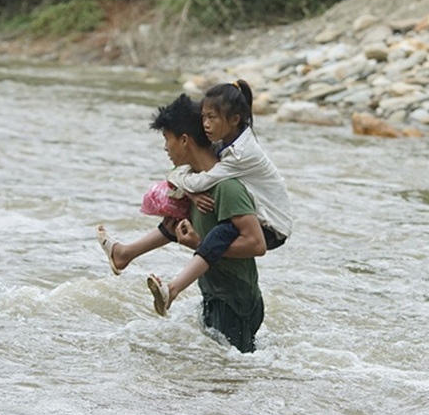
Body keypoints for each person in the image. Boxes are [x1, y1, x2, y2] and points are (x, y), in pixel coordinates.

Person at [97, 80, 291, 309]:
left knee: (219, 234)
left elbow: (201, 181)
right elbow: (187, 177)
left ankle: (173, 289)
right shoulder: (225, 142)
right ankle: (125, 254)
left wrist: (197, 235)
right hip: (224, 288)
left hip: (271, 227)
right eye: (204, 117)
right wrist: (190, 195)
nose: (206, 124)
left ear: (234, 120)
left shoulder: (239, 158)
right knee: (180, 214)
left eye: (212, 117)